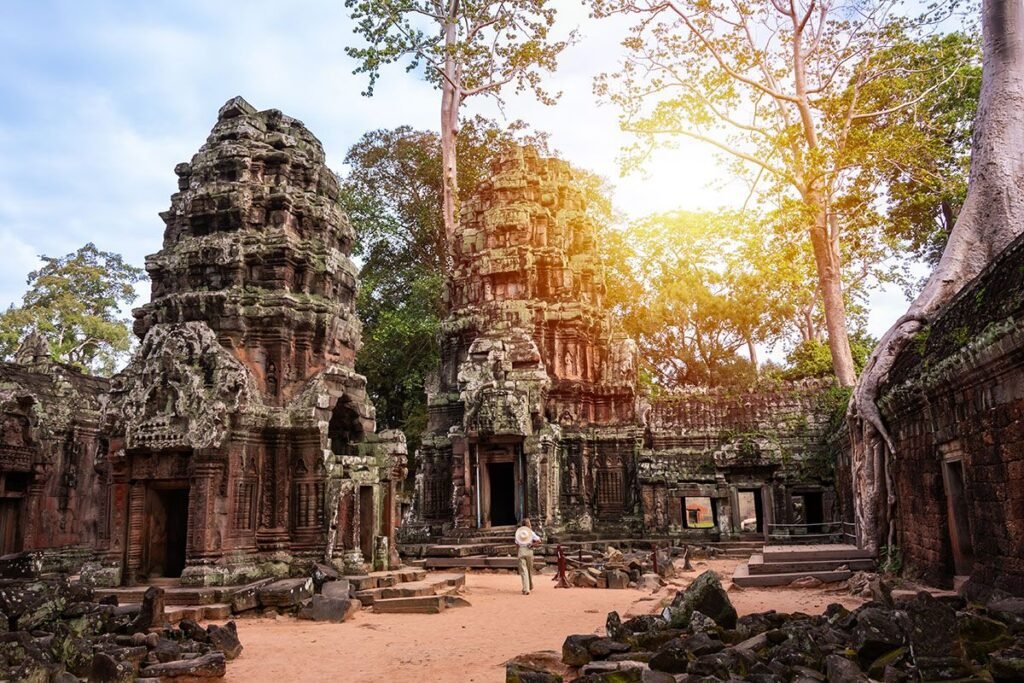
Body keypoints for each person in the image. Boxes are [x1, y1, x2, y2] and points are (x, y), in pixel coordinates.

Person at [514, 518, 542, 595]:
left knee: (523, 571)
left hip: (521, 551)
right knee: (529, 569)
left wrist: (517, 553)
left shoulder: (518, 533)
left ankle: (526, 588)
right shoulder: (531, 533)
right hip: (529, 550)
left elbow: (516, 544)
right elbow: (539, 541)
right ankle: (529, 586)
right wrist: (532, 544)